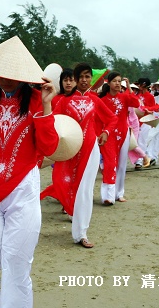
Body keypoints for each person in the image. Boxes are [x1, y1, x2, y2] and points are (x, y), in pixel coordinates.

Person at [0, 36, 59, 307]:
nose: (5, 77)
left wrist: (48, 106)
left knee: (16, 269)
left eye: (12, 71)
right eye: (0, 70)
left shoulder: (40, 100)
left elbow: (49, 146)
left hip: (23, 191)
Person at [42, 62, 116, 248]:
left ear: (91, 78)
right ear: (74, 79)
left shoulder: (94, 100)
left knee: (85, 190)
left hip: (90, 150)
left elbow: (112, 118)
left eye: (87, 76)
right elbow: (53, 120)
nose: (84, 80)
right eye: (80, 77)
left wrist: (106, 132)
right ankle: (71, 212)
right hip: (70, 150)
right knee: (64, 183)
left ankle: (81, 232)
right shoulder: (63, 101)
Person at [98, 72, 139, 204]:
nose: (117, 83)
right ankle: (107, 196)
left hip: (123, 133)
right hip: (109, 134)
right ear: (108, 83)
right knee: (110, 163)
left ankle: (119, 193)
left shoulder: (125, 97)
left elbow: (136, 103)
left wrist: (129, 87)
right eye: (114, 81)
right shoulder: (103, 100)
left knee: (121, 164)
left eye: (119, 81)